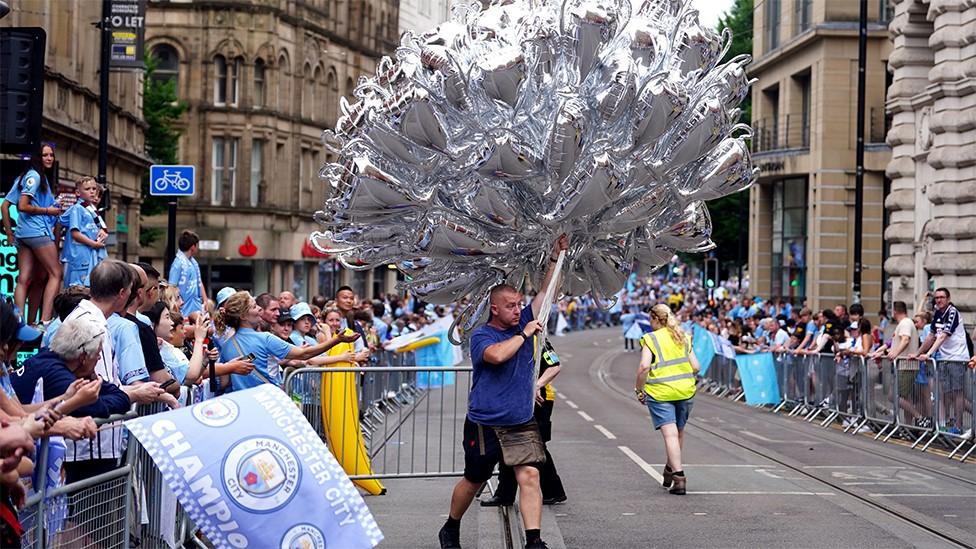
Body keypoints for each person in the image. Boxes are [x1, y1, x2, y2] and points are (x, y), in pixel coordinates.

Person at [439, 234, 567, 549]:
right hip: (485, 422)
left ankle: (534, 540)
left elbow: (546, 293)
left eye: (519, 305)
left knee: (530, 477)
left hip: (521, 420)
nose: (517, 310)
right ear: (495, 309)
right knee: (475, 480)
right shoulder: (482, 335)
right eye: (510, 306)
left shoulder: (525, 319)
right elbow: (497, 356)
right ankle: (450, 527)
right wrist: (524, 334)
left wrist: (556, 257)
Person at [215, 291, 360, 391]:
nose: (259, 309)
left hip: (241, 405)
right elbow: (304, 354)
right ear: (243, 316)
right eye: (254, 306)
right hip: (265, 402)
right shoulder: (265, 338)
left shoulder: (227, 345)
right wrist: (337, 340)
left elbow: (224, 382)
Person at [481, 339, 567, 508]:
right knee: (511, 443)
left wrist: (537, 384)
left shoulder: (536, 339)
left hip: (539, 400)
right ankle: (507, 494)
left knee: (535, 445)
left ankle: (552, 491)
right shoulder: (505, 339)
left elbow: (554, 365)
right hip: (515, 399)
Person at [634, 304, 700, 496]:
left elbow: (644, 367)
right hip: (685, 391)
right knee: (678, 432)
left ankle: (679, 477)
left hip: (661, 392)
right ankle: (671, 468)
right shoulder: (683, 336)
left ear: (655, 319)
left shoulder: (650, 339)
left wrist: (639, 389)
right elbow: (696, 366)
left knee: (670, 434)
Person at [13, 142, 63, 325]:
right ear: (37, 157)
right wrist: (48, 211)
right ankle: (45, 320)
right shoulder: (34, 176)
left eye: (51, 155)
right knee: (56, 273)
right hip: (36, 231)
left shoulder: (33, 176)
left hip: (24, 233)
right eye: (45, 155)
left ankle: (21, 321)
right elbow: (23, 205)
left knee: (26, 277)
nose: (49, 158)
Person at [911, 288, 971, 434]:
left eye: (942, 297)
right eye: (937, 298)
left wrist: (929, 354)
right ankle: (949, 424)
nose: (939, 300)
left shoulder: (952, 312)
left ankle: (958, 425)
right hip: (944, 359)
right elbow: (931, 336)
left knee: (957, 393)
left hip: (957, 358)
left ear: (948, 299)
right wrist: (918, 353)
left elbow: (943, 336)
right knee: (947, 393)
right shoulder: (938, 314)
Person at [59, 176, 106, 288]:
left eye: (94, 189)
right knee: (77, 289)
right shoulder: (77, 209)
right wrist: (94, 244)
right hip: (78, 256)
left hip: (89, 255)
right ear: (78, 192)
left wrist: (102, 232)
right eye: (87, 189)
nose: (92, 192)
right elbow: (75, 233)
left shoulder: (91, 210)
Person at [169, 230, 207, 315]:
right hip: (183, 308)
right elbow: (171, 287)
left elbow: (199, 281)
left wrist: (205, 300)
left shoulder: (193, 263)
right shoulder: (178, 263)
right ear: (193, 247)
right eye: (197, 245)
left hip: (195, 307)